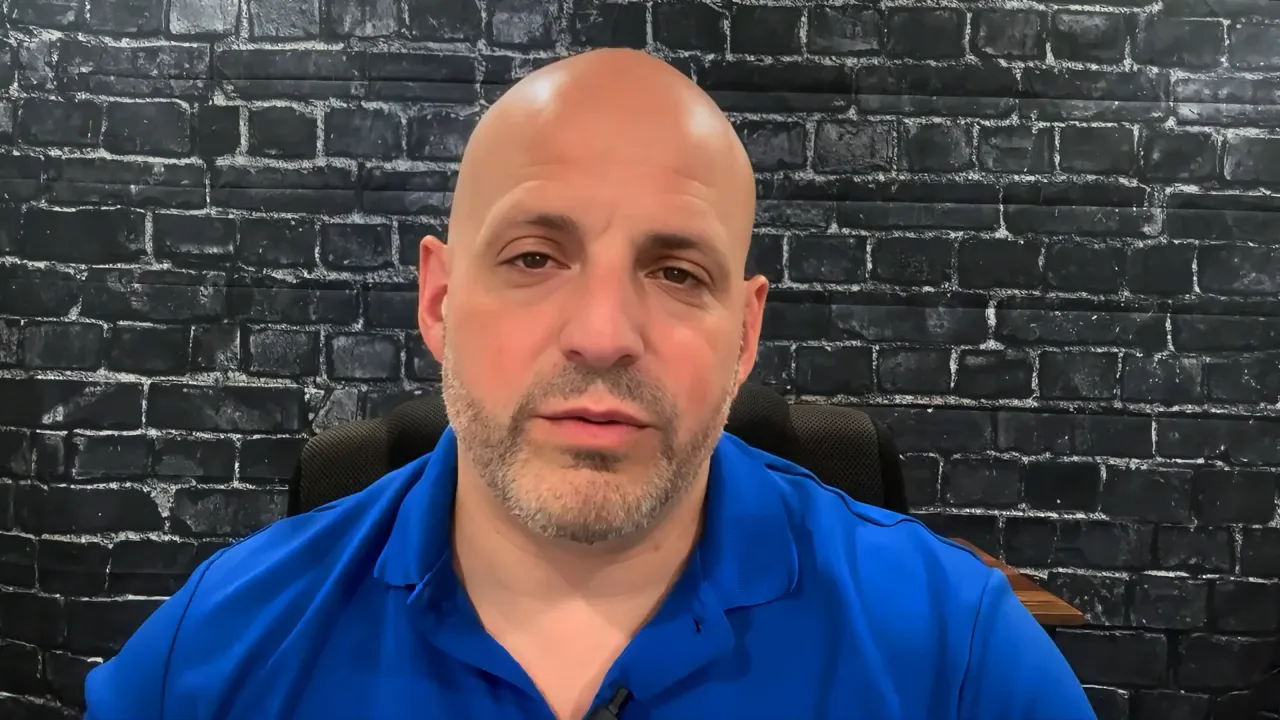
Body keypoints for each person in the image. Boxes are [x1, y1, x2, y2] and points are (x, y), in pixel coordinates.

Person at [84, 48, 1096, 720]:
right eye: (532, 258)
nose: (604, 335)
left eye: (675, 272)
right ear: (437, 301)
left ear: (743, 333)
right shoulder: (214, 654)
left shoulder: (959, 661)